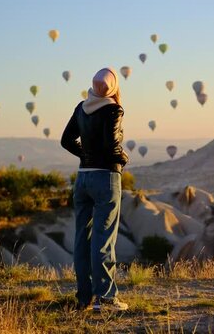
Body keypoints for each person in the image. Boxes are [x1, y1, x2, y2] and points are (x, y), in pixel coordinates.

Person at [61, 67, 129, 312]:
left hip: (83, 179)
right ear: (113, 86)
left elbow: (66, 140)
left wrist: (87, 156)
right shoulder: (113, 108)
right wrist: (123, 159)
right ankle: (106, 298)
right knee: (104, 238)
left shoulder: (82, 107)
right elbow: (112, 146)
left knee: (82, 238)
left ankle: (84, 298)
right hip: (105, 180)